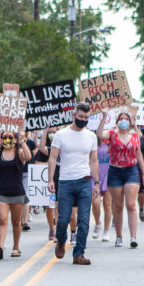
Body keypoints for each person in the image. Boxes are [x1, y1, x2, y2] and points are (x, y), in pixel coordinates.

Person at [47, 103, 99, 265]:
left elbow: (93, 160)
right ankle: (61, 240)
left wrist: (96, 183)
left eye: (86, 118)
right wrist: (50, 180)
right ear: (73, 116)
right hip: (65, 182)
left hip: (84, 181)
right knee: (63, 219)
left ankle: (79, 254)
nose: (83, 120)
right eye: (81, 117)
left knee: (84, 219)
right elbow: (53, 158)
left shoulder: (91, 136)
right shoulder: (61, 135)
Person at [98, 110, 144, 248]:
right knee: (118, 205)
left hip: (131, 171)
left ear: (130, 122)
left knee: (131, 205)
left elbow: (139, 155)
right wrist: (103, 117)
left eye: (126, 118)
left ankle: (133, 237)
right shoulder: (112, 134)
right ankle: (119, 236)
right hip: (115, 171)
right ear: (117, 121)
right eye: (121, 118)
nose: (124, 121)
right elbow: (99, 134)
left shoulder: (134, 136)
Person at [0, 131, 32, 259]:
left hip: (17, 192)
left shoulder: (19, 153)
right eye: (5, 137)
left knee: (16, 222)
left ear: (15, 139)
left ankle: (16, 247)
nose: (7, 139)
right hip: (0, 192)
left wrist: (22, 141)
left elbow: (29, 156)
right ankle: (0, 247)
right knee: (3, 220)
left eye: (10, 137)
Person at [33, 126, 58, 241]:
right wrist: (44, 131)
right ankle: (52, 229)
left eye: (54, 132)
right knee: (50, 206)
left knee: (59, 206)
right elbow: (40, 149)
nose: (52, 134)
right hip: (48, 181)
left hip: (60, 179)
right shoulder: (47, 149)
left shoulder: (61, 147)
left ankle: (58, 229)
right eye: (50, 132)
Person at [91, 118, 112, 242]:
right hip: (95, 177)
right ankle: (98, 223)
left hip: (109, 176)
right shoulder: (91, 145)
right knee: (95, 203)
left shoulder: (110, 144)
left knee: (108, 205)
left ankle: (106, 231)